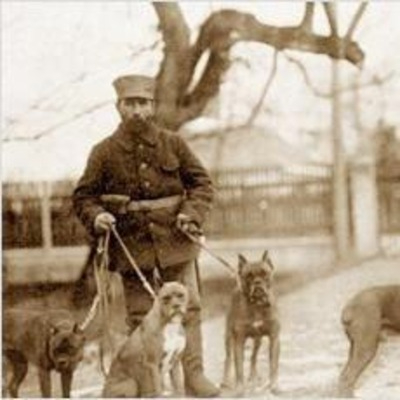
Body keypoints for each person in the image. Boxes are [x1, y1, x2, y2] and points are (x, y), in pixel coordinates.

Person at [72, 74, 219, 397]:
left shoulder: (173, 143)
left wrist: (190, 215)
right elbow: (83, 197)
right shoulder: (103, 153)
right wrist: (98, 216)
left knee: (188, 309)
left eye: (142, 103)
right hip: (131, 247)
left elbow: (202, 185)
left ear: (152, 106)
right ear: (119, 107)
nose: (136, 111)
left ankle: (194, 376)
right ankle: (146, 387)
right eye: (130, 104)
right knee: (141, 318)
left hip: (176, 241)